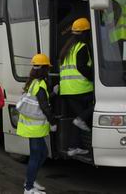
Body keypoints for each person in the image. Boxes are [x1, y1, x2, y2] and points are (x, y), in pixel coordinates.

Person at [17, 54, 56, 194]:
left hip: (32, 126)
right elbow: (44, 106)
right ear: (45, 68)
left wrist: (53, 93)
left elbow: (41, 100)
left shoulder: (32, 82)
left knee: (43, 153)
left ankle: (31, 180)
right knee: (36, 155)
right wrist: (53, 122)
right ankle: (28, 187)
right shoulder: (40, 84)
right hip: (34, 128)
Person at [59, 17, 94, 156]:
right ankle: (80, 122)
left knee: (78, 119)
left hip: (67, 90)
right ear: (86, 33)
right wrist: (94, 78)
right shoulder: (83, 47)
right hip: (81, 88)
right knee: (97, 105)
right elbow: (81, 67)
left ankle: (74, 147)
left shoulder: (68, 48)